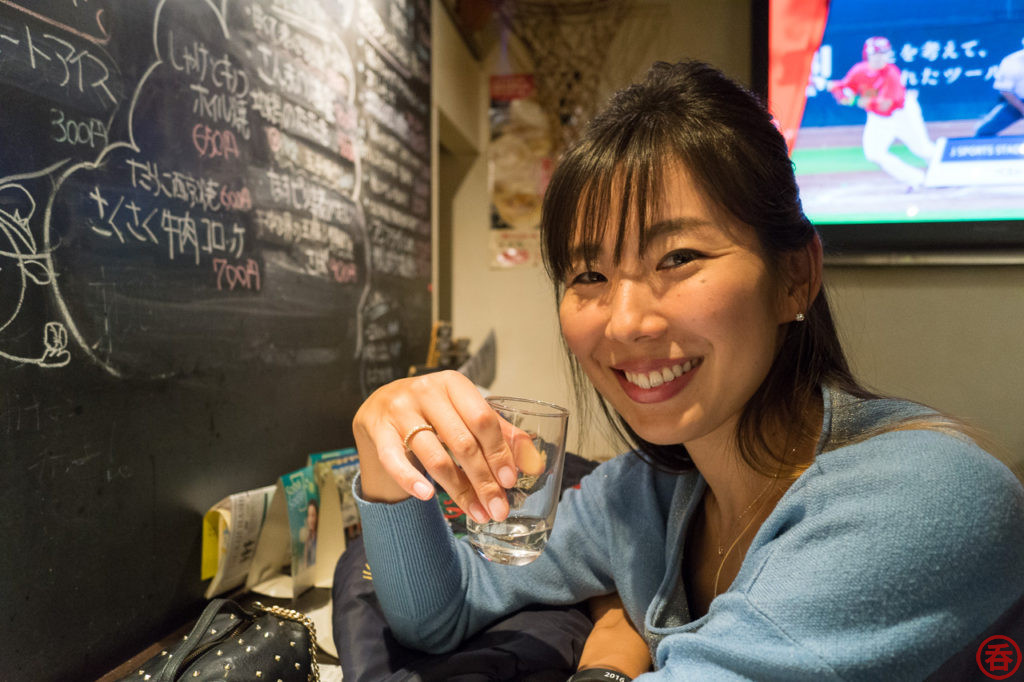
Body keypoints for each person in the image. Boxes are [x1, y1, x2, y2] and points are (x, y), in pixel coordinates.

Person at [344, 60, 1024, 680]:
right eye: (588, 274)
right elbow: (444, 611)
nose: (625, 321)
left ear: (795, 276)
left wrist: (613, 646)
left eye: (679, 258)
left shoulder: (922, 497)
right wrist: (386, 463)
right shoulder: (643, 496)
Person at [827, 36, 937, 189]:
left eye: (882, 54)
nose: (879, 58)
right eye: (875, 54)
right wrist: (837, 90)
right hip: (878, 118)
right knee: (873, 153)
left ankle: (948, 172)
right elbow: (845, 89)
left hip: (902, 114)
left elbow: (884, 104)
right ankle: (916, 178)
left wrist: (853, 100)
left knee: (923, 149)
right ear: (868, 55)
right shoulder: (859, 71)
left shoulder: (891, 73)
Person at [974, 37, 1024, 137]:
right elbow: (1005, 91)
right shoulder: (1012, 62)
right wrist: (1022, 109)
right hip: (1016, 102)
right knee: (983, 131)